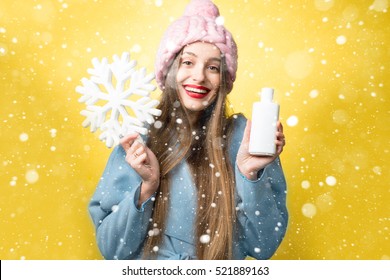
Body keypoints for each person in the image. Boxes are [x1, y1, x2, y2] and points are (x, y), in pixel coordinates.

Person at [88, 0, 288, 260]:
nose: (199, 77)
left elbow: (263, 247)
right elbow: (111, 250)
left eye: (213, 67)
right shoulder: (139, 140)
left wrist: (250, 176)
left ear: (224, 80)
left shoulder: (246, 139)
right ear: (170, 71)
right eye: (188, 62)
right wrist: (147, 188)